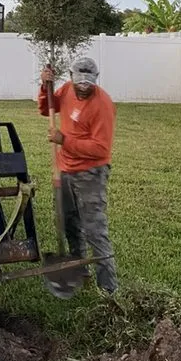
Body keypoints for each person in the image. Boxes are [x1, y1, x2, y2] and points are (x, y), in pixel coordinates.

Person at [38, 56, 118, 293]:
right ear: (71, 78)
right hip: (65, 168)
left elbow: (101, 149)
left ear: (95, 81)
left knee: (95, 230)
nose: (83, 88)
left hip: (91, 173)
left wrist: (65, 140)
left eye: (88, 84)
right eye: (79, 83)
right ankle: (78, 269)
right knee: (69, 222)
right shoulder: (65, 90)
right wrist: (46, 87)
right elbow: (46, 108)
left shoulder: (102, 104)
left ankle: (109, 289)